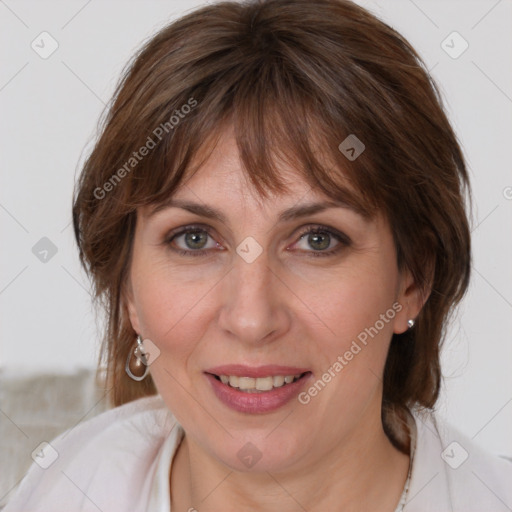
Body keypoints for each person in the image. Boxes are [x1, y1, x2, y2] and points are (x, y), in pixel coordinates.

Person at [5, 0, 512, 511]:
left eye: (317, 239)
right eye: (195, 239)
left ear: (412, 279)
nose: (251, 319)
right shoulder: (55, 492)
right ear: (129, 288)